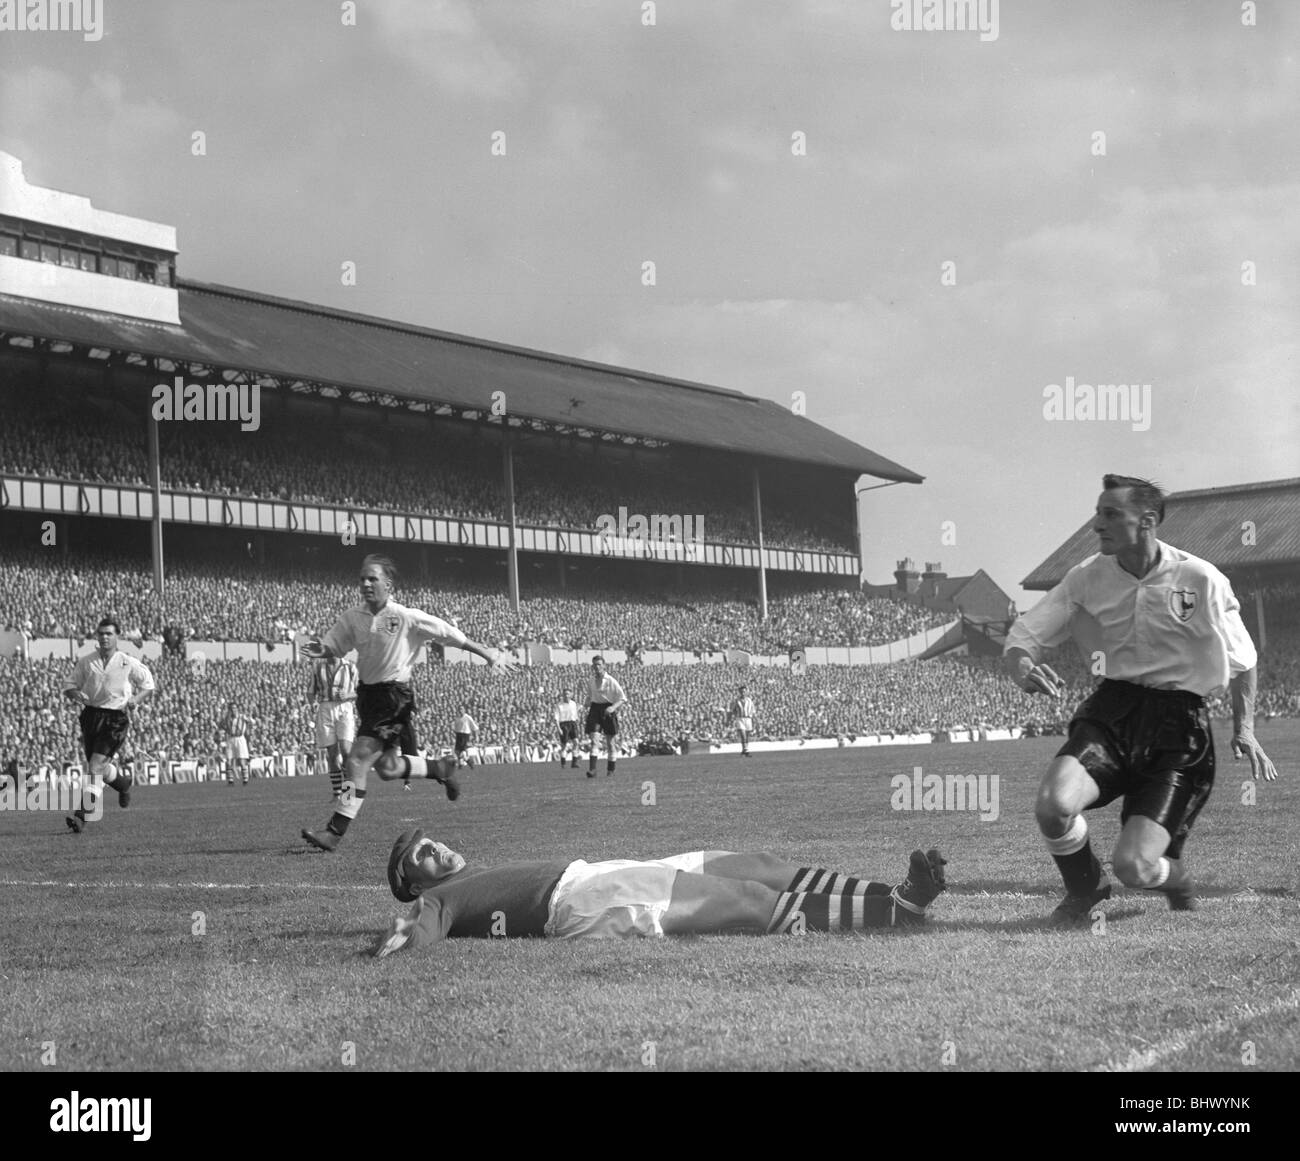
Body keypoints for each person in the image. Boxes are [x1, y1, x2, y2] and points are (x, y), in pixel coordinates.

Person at [1004, 474, 1280, 924]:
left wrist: (1244, 729)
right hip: (1113, 712)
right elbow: (1026, 634)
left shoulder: (1200, 578)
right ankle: (1086, 887)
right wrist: (1021, 665)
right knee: (1052, 807)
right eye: (1097, 512)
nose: (1097, 523)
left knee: (1136, 867)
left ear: (1147, 520)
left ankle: (1175, 878)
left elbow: (1244, 660)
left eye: (1110, 513)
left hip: (1180, 728)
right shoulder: (1087, 577)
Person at [375, 828, 948, 955]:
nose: (438, 849)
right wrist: (408, 932)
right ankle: (896, 914)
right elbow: (427, 923)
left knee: (756, 864)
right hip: (581, 901)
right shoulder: (441, 898)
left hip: (598, 871)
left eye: (432, 841)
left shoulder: (463, 876)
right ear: (413, 883)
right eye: (423, 855)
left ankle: (893, 892)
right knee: (745, 901)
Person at [299, 554, 515, 852]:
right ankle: (439, 768)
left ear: (387, 585)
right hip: (368, 697)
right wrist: (313, 648)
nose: (365, 583)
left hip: (394, 698)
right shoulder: (353, 618)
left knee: (356, 760)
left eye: (372, 578)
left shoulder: (405, 616)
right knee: (387, 768)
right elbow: (332, 645)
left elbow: (448, 634)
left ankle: (334, 832)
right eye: (362, 577)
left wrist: (487, 653)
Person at [62, 617, 155, 833]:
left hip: (115, 718)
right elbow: (69, 686)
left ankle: (82, 816)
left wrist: (136, 700)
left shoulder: (126, 661)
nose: (104, 637)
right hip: (91, 716)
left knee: (94, 766)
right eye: (101, 633)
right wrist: (78, 694)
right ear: (97, 636)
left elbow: (148, 684)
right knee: (99, 769)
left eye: (109, 633)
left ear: (117, 636)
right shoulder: (87, 662)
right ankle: (123, 784)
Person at [308, 653, 359, 801]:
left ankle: (348, 793)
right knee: (332, 755)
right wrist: (313, 703)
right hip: (325, 708)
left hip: (344, 708)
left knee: (346, 751)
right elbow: (311, 691)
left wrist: (348, 694)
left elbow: (359, 690)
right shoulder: (318, 667)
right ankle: (337, 793)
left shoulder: (350, 667)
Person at [583, 655, 627, 778]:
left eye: (599, 664)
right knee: (594, 740)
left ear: (604, 666)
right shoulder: (591, 680)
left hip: (608, 710)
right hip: (595, 709)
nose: (596, 667)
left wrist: (613, 707)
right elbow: (589, 696)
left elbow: (622, 698)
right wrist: (586, 703)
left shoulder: (611, 680)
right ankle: (592, 770)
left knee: (611, 743)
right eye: (595, 664)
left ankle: (611, 770)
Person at [218, 700, 255, 786]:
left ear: (237, 709)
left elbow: (252, 722)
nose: (233, 710)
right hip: (231, 739)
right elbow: (221, 726)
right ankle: (230, 780)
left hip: (240, 739)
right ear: (229, 710)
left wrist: (250, 721)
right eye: (231, 709)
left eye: (234, 708)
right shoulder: (227, 718)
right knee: (229, 760)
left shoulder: (242, 717)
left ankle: (245, 780)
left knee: (242, 760)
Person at [554, 689, 580, 768]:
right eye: (565, 694)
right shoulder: (559, 705)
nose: (566, 695)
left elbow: (575, 715)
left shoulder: (573, 703)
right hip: (564, 725)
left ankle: (574, 763)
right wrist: (559, 728)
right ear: (563, 695)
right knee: (564, 745)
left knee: (576, 742)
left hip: (572, 724)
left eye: (568, 694)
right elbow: (556, 718)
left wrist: (576, 723)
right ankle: (563, 763)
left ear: (571, 695)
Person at [729, 684, 756, 757]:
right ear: (739, 692)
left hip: (748, 719)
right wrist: (735, 715)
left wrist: (752, 717)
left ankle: (744, 750)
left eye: (744, 691)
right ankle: (746, 750)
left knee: (746, 736)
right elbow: (733, 710)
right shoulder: (736, 701)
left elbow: (753, 709)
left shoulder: (749, 700)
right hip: (740, 718)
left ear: (746, 692)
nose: (743, 693)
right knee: (743, 734)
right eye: (741, 692)